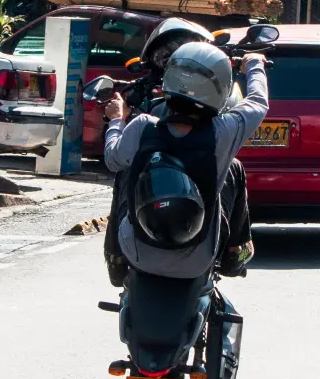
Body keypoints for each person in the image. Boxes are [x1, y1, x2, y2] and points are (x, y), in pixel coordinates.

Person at [104, 42, 268, 282]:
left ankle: (115, 259)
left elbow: (111, 159)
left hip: (137, 253)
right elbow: (258, 102)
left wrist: (117, 121)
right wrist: (254, 63)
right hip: (200, 259)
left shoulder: (142, 127)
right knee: (233, 167)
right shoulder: (222, 133)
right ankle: (235, 251)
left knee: (125, 170)